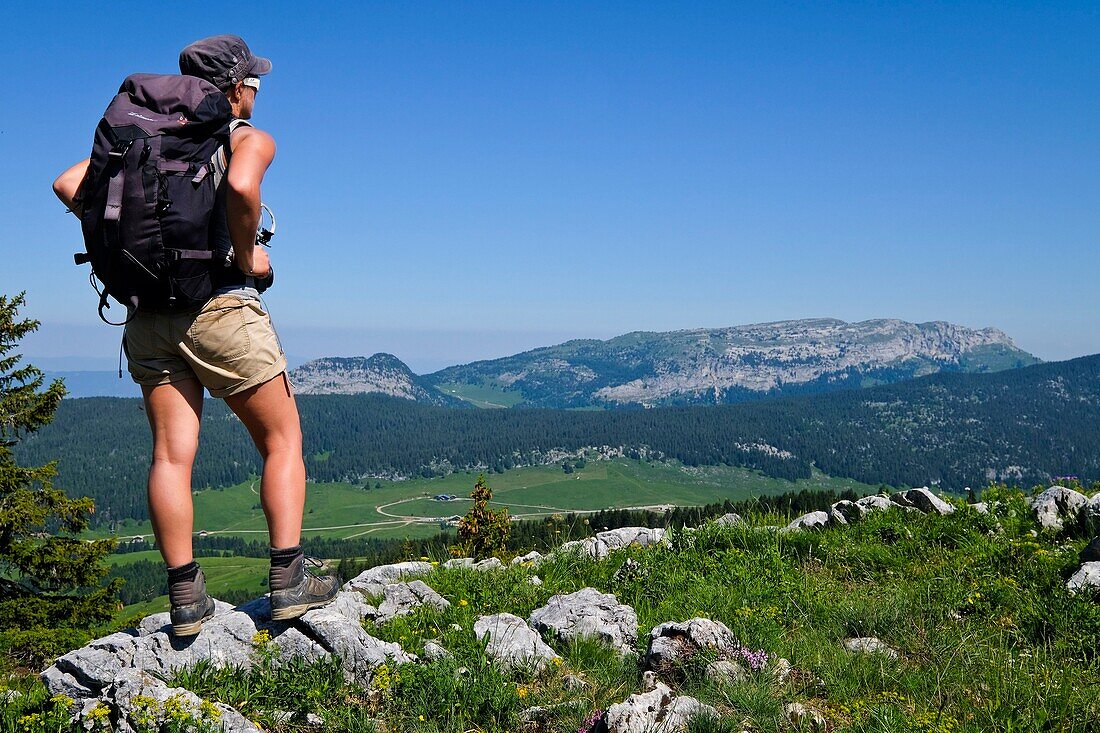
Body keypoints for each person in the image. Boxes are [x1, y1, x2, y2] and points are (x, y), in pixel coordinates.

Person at [52, 35, 338, 636]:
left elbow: (68, 184)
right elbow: (239, 188)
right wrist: (245, 253)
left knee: (170, 456)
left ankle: (186, 598)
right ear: (235, 86)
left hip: (149, 317)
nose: (257, 91)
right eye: (253, 82)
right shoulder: (245, 137)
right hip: (220, 309)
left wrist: (133, 244)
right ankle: (288, 581)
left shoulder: (136, 140)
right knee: (282, 441)